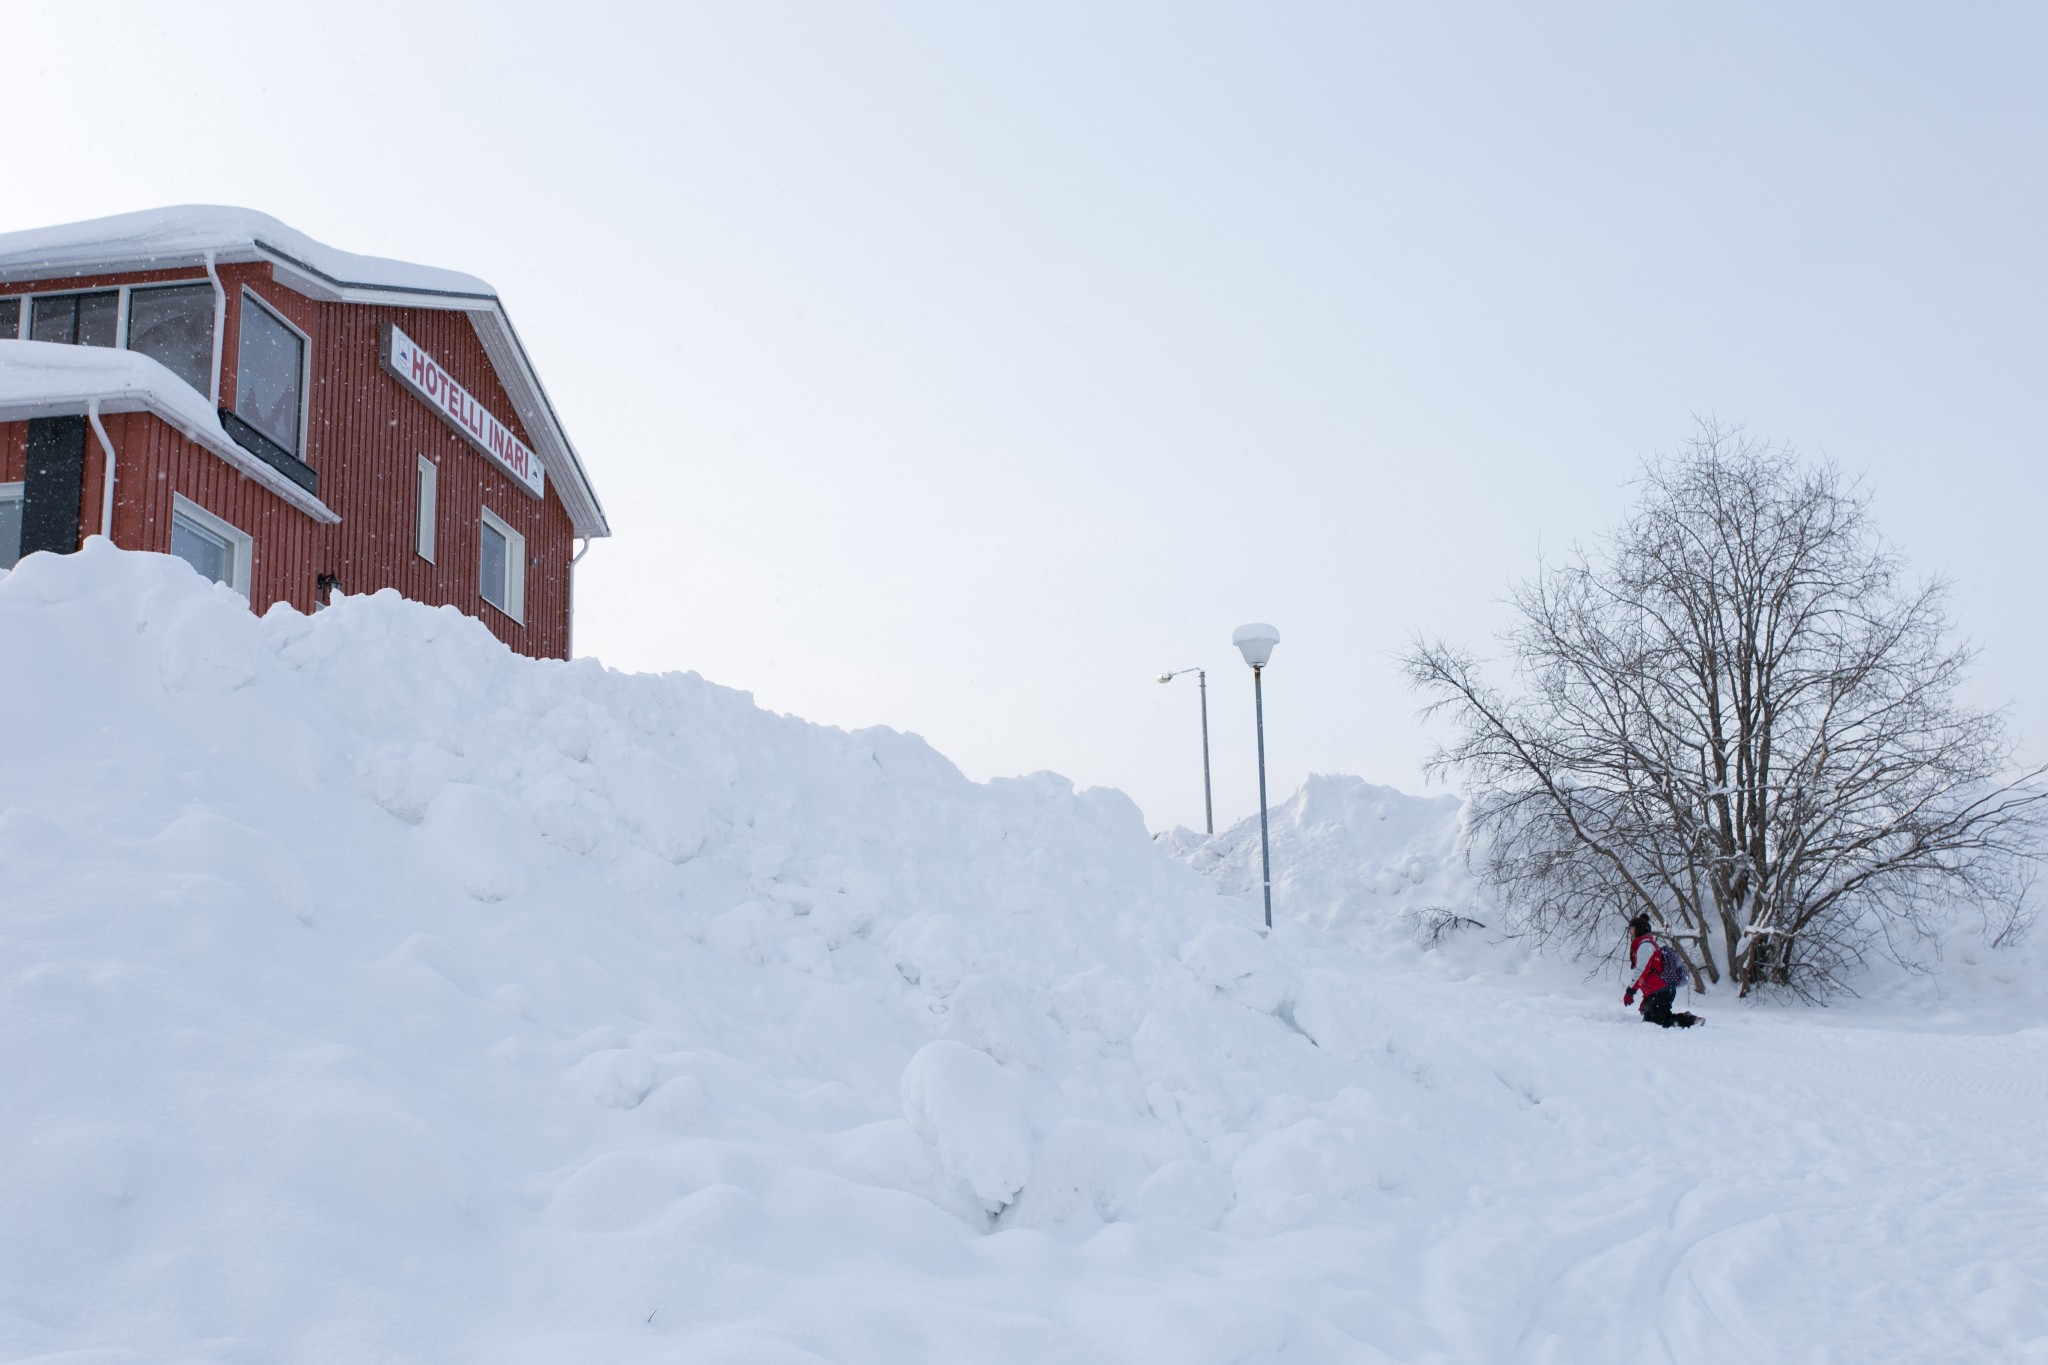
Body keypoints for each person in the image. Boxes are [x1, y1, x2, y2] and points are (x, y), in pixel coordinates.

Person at [1623, 913, 1700, 1028]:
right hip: (1656, 991)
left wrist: (1630, 991)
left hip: (1661, 990)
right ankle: (1687, 1018)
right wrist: (1646, 999)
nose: (1630, 932)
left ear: (1638, 929)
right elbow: (1649, 975)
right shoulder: (1644, 945)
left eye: (1632, 928)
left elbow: (1641, 971)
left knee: (1660, 1023)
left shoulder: (1646, 946)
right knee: (1649, 1023)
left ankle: (1692, 1020)